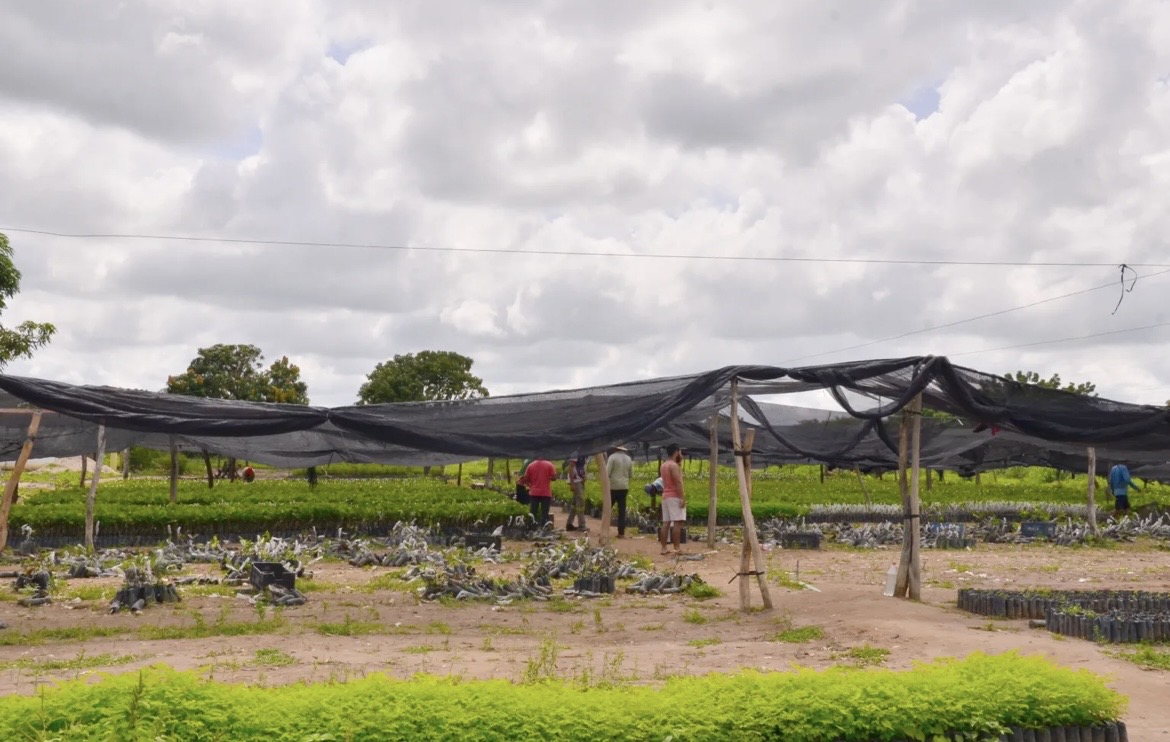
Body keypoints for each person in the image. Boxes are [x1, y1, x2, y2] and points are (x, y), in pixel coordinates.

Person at [659, 443, 686, 555]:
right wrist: (682, 497)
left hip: (665, 496)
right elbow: (678, 482)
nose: (681, 454)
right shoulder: (674, 466)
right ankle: (677, 547)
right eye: (680, 452)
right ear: (676, 452)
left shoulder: (664, 465)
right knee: (678, 522)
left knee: (666, 523)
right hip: (674, 496)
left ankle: (664, 548)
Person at [605, 445, 633, 538]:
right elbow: (631, 474)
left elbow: (607, 472)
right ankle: (621, 532)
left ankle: (604, 529)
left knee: (608, 508)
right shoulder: (628, 459)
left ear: (615, 448)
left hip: (613, 486)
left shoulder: (612, 457)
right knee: (622, 510)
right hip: (624, 486)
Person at [518, 458, 557, 526]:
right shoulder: (549, 464)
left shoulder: (530, 465)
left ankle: (532, 529)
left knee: (532, 513)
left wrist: (530, 483)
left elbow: (526, 478)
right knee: (545, 514)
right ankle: (543, 529)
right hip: (546, 493)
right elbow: (554, 478)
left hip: (534, 493)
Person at [565, 456, 588, 531]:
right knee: (580, 502)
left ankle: (569, 524)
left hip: (580, 480)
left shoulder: (584, 454)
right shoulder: (576, 454)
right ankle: (582, 525)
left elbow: (583, 466)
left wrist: (585, 476)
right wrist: (572, 483)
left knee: (575, 504)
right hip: (576, 481)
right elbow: (570, 467)